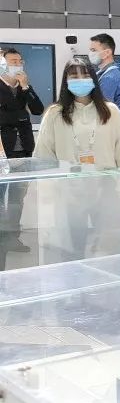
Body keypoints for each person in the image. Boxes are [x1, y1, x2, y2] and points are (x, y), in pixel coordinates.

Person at [34, 59, 120, 260]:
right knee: (71, 250)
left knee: (109, 249)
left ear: (94, 78)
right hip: (69, 190)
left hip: (105, 188)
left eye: (85, 75)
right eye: (74, 76)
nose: (80, 80)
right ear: (66, 81)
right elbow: (44, 155)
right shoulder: (55, 114)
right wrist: (48, 194)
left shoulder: (111, 111)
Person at [0, 48, 45, 253]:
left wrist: (25, 87)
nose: (17, 64)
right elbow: (11, 111)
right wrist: (20, 100)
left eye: (19, 61)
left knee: (17, 198)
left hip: (23, 150)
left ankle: (12, 238)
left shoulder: (25, 87)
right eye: (12, 61)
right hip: (3, 150)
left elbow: (38, 109)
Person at [88, 34, 120, 115]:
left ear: (107, 52)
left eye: (93, 50)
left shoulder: (109, 77)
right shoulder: (103, 73)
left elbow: (102, 110)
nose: (90, 54)